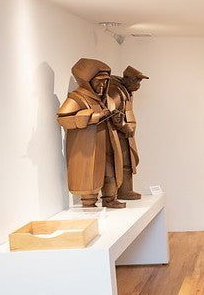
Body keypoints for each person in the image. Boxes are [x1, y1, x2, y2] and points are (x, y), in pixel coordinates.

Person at [56, 58, 125, 208]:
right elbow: (63, 118)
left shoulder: (104, 99)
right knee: (91, 174)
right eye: (98, 81)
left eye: (105, 82)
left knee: (110, 173)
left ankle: (109, 198)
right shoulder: (77, 97)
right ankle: (89, 202)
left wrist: (116, 119)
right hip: (89, 148)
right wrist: (94, 116)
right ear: (87, 80)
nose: (102, 86)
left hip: (107, 145)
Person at [108, 66, 149, 200]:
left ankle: (125, 190)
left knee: (128, 163)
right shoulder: (115, 90)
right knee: (123, 163)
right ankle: (119, 192)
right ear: (126, 79)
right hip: (120, 134)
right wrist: (123, 126)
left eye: (139, 82)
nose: (138, 85)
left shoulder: (126, 91)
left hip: (126, 134)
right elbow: (112, 112)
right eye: (135, 81)